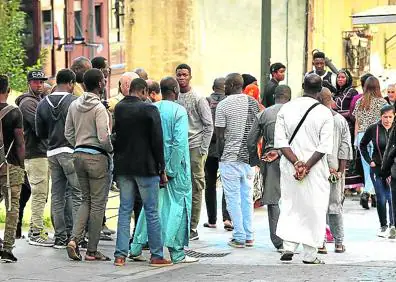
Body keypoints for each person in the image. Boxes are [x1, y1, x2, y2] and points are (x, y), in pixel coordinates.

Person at [129, 77, 198, 265]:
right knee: (179, 208)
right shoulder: (179, 111)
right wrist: (171, 170)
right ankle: (177, 252)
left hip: (153, 167)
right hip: (175, 170)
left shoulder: (152, 109)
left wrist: (156, 168)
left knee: (151, 208)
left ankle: (136, 246)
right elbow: (179, 143)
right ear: (175, 90)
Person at [274, 73, 334, 264]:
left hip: (289, 166)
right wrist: (306, 166)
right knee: (314, 207)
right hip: (314, 169)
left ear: (302, 86)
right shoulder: (324, 113)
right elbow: (324, 147)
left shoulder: (286, 108)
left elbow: (281, 142)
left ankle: (288, 246)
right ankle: (310, 254)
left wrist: (296, 163)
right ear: (321, 89)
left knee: (290, 204)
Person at [113, 78, 171, 267]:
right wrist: (161, 167)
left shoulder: (119, 108)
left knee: (124, 210)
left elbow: (116, 135)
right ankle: (156, 255)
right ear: (145, 91)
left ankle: (120, 255)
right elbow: (157, 140)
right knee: (151, 211)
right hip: (146, 167)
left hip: (124, 166)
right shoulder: (150, 109)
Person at [65, 69, 113, 261]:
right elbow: (103, 137)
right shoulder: (99, 108)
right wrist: (109, 149)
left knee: (86, 200)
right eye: (104, 80)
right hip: (97, 157)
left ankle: (74, 239)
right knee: (97, 204)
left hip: (78, 155)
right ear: (100, 84)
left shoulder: (74, 105)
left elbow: (68, 133)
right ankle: (92, 250)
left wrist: (79, 144)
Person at [35, 69, 82, 248]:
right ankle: (76, 237)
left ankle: (60, 237)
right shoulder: (74, 102)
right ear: (70, 83)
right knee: (77, 194)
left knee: (57, 195)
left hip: (52, 152)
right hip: (70, 151)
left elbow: (40, 132)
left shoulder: (42, 103)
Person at [216, 73, 260, 248]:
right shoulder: (253, 104)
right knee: (247, 197)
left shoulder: (223, 105)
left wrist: (220, 158)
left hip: (230, 157)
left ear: (233, 84)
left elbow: (220, 136)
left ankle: (239, 236)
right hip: (248, 158)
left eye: (226, 84)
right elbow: (258, 131)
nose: (224, 87)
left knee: (233, 198)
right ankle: (249, 235)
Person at [247, 85, 291, 252]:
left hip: (269, 158)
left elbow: (251, 141)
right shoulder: (296, 113)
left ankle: (278, 241)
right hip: (294, 158)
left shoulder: (264, 114)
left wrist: (255, 162)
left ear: (274, 96)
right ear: (289, 97)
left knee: (273, 200)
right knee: (294, 199)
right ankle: (294, 236)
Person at [176, 64, 213, 241]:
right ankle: (179, 223)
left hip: (195, 147)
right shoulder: (173, 97)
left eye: (184, 75)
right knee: (178, 186)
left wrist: (202, 149)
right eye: (179, 75)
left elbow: (208, 125)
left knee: (196, 187)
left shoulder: (198, 98)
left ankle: (192, 227)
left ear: (190, 77)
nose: (181, 78)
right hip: (178, 147)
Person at [15, 70, 52, 246]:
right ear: (29, 83)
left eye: (41, 82)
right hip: (35, 153)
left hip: (41, 153)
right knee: (38, 194)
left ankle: (34, 229)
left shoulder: (38, 101)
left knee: (41, 194)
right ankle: (36, 232)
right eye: (36, 82)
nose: (40, 85)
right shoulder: (28, 103)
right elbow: (41, 128)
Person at [317, 87, 352, 254]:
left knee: (318, 206)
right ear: (331, 100)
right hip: (335, 169)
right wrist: (340, 170)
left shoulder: (314, 120)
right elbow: (345, 147)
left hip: (316, 169)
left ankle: (321, 243)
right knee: (335, 205)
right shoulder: (340, 121)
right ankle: (338, 243)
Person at [0, 75, 25, 262]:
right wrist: (22, 165)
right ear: (8, 91)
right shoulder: (15, 113)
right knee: (12, 206)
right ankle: (7, 247)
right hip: (10, 166)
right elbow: (20, 143)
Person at [353, 76, 387, 209]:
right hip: (376, 135)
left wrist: (356, 139)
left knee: (367, 167)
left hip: (362, 136)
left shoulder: (359, 102)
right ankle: (368, 192)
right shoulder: (382, 102)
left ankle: (371, 194)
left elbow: (357, 121)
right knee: (376, 166)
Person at [360, 105, 395, 237]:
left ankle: (393, 226)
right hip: (377, 169)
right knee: (381, 198)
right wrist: (370, 160)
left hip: (392, 169)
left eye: (390, 117)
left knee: (392, 198)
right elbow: (362, 145)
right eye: (384, 117)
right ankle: (383, 226)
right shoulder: (373, 129)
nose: (387, 120)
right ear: (380, 117)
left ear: (394, 117)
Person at [203, 77, 232, 231]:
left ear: (213, 87)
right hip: (225, 148)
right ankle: (227, 218)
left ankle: (212, 219)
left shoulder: (206, 101)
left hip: (209, 148)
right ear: (225, 87)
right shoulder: (229, 103)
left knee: (210, 184)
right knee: (227, 183)